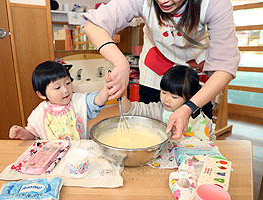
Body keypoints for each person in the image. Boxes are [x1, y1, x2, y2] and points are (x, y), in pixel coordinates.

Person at [82, 0, 240, 139]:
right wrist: (121, 63)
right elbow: (94, 24)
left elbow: (225, 65)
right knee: (150, 130)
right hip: (155, 67)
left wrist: (190, 107)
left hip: (192, 76)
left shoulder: (213, 3)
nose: (163, 1)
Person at [9, 61, 108, 140]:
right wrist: (22, 133)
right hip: (54, 157)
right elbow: (32, 135)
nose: (65, 90)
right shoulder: (39, 112)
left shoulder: (78, 101)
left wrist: (107, 89)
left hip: (78, 155)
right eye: (57, 87)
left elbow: (97, 100)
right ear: (42, 94)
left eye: (68, 83)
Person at [121, 65, 215, 140]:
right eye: (163, 92)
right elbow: (131, 110)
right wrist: (121, 96)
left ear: (190, 97)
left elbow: (211, 140)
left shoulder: (201, 118)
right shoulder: (157, 110)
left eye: (174, 97)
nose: (166, 99)